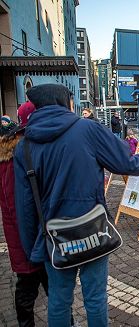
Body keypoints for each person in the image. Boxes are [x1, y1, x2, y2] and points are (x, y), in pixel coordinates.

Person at [14, 84, 139, 327]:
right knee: (96, 298)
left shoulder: (24, 146)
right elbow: (126, 162)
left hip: (53, 238)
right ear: (65, 103)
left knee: (58, 301)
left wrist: (32, 251)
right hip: (93, 229)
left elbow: (24, 206)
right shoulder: (87, 129)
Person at [0, 101, 49, 327]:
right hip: (31, 232)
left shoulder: (9, 150)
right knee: (45, 285)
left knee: (28, 285)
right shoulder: (25, 150)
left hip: (21, 233)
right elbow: (18, 201)